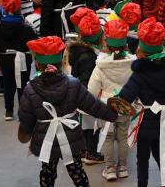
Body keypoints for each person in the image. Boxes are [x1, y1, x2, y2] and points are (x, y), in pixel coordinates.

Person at [18, 36, 119, 187]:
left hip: (46, 138)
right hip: (71, 136)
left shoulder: (30, 88)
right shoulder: (73, 84)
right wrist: (112, 114)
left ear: (37, 63)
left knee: (47, 171)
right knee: (76, 170)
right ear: (62, 62)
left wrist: (25, 132)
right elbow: (93, 105)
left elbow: (26, 116)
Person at [118, 17, 165, 187]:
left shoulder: (139, 74)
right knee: (162, 155)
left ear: (141, 51)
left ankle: (142, 184)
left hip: (144, 124)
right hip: (164, 122)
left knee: (142, 159)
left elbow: (124, 98)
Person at [88, 19, 136, 180]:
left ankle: (109, 168)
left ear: (106, 44)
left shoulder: (100, 66)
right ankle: (122, 167)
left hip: (105, 108)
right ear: (126, 44)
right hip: (126, 106)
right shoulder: (133, 64)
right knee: (123, 136)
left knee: (107, 137)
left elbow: (92, 91)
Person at [66, 8, 105, 164]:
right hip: (88, 95)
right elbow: (89, 81)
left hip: (79, 93)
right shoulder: (89, 57)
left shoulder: (79, 50)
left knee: (85, 125)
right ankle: (90, 153)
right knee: (91, 125)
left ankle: (84, 150)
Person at [0, 0, 37, 120]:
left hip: (5, 59)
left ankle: (9, 111)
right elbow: (34, 43)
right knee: (23, 85)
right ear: (19, 8)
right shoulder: (26, 26)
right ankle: (23, 112)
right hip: (23, 58)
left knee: (8, 85)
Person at [40, 0, 108, 37]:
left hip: (61, 24)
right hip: (81, 17)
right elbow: (90, 2)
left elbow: (46, 10)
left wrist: (43, 34)